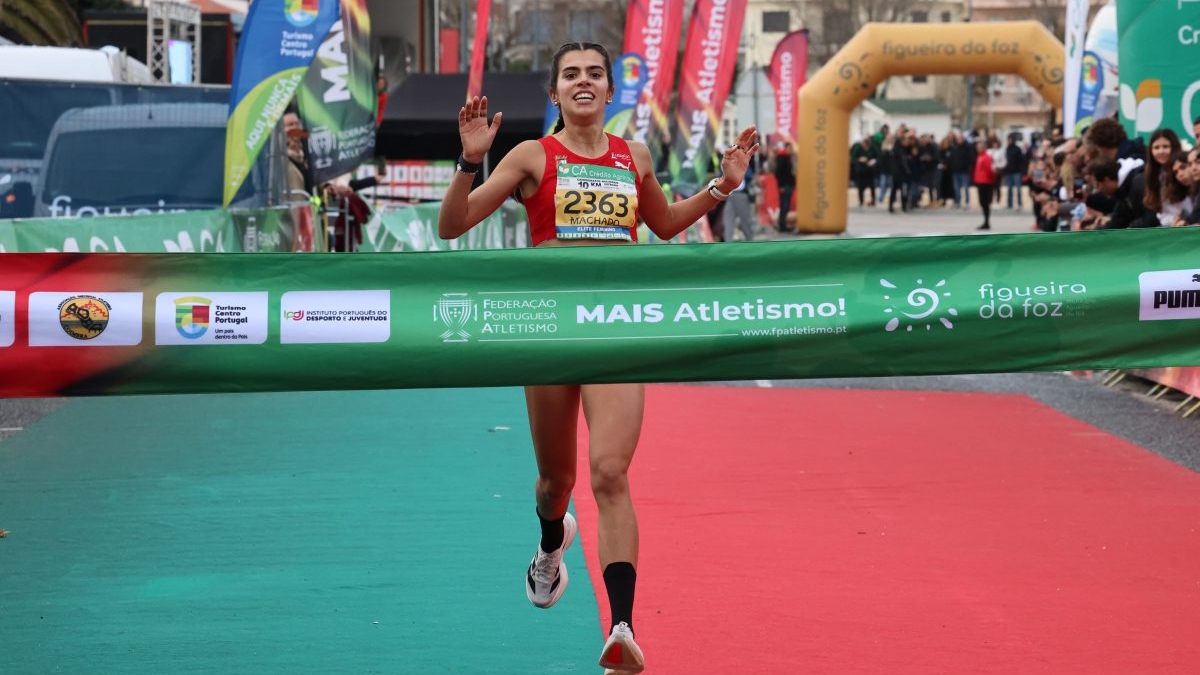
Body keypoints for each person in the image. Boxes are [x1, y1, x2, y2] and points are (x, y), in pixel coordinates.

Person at [436, 41, 758, 674]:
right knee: (556, 483)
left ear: (610, 90)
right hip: (550, 332)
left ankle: (622, 630)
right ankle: (551, 543)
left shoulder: (634, 155)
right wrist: (470, 160)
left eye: (593, 74)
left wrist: (722, 185)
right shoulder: (532, 155)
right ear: (555, 93)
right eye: (570, 75)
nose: (582, 82)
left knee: (610, 473)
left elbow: (665, 224)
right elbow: (453, 225)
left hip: (616, 329)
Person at [973, 139, 996, 230]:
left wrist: (991, 181)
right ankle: (985, 221)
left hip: (985, 182)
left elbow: (989, 170)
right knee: (982, 203)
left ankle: (986, 222)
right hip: (980, 181)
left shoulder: (986, 157)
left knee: (985, 203)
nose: (977, 149)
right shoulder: (980, 156)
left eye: (978, 147)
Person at [773, 141, 795, 232]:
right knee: (784, 206)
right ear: (786, 148)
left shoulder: (788, 157)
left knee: (786, 206)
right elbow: (778, 173)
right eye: (789, 148)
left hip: (789, 185)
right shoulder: (782, 157)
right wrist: (781, 186)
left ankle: (783, 224)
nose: (791, 150)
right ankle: (782, 225)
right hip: (785, 185)